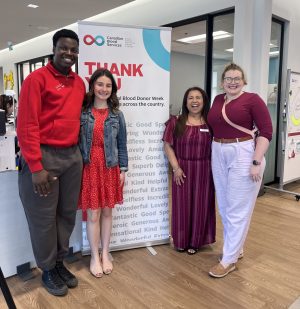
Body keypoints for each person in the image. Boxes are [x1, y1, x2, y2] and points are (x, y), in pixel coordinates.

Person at [17, 29, 85, 296]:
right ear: (54, 49)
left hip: (72, 156)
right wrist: (35, 166)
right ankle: (47, 269)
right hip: (44, 157)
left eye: (73, 50)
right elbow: (27, 126)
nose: (69, 53)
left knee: (67, 214)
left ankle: (58, 262)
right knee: (43, 218)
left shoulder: (79, 83)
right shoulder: (36, 80)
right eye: (64, 48)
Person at [207, 63, 273, 278]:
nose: (232, 82)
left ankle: (228, 260)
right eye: (228, 78)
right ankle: (236, 248)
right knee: (225, 206)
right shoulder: (218, 100)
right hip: (218, 149)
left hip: (243, 152)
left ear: (244, 81)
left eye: (237, 78)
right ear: (222, 81)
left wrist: (256, 161)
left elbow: (266, 131)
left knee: (238, 208)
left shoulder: (252, 99)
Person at [78, 68, 128, 278]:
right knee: (93, 214)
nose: (104, 89)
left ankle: (106, 253)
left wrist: (123, 169)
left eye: (108, 85)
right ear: (92, 86)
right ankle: (94, 256)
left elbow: (122, 144)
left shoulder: (117, 115)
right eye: (100, 84)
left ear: (112, 89)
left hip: (110, 168)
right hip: (89, 168)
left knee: (107, 212)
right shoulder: (82, 113)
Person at [163, 87, 216, 255]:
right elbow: (167, 146)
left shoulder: (211, 123)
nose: (194, 101)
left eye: (198, 97)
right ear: (185, 102)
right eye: (191, 98)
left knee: (201, 205)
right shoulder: (176, 122)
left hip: (204, 170)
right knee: (182, 206)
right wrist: (176, 168)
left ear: (204, 101)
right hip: (182, 170)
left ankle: (196, 241)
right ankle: (181, 241)